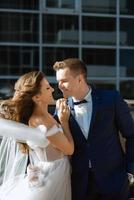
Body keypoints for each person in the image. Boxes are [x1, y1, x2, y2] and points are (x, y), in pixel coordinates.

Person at [53, 58, 134, 200]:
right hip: (80, 184)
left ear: (79, 79)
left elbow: (131, 134)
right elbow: (52, 140)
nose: (59, 86)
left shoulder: (111, 98)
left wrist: (130, 172)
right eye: (58, 81)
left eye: (64, 80)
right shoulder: (61, 108)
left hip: (114, 180)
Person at [0, 71, 74, 200]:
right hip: (52, 178)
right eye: (47, 88)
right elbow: (69, 149)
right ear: (36, 97)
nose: (52, 89)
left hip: (52, 174)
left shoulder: (44, 117)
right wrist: (64, 122)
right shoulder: (41, 121)